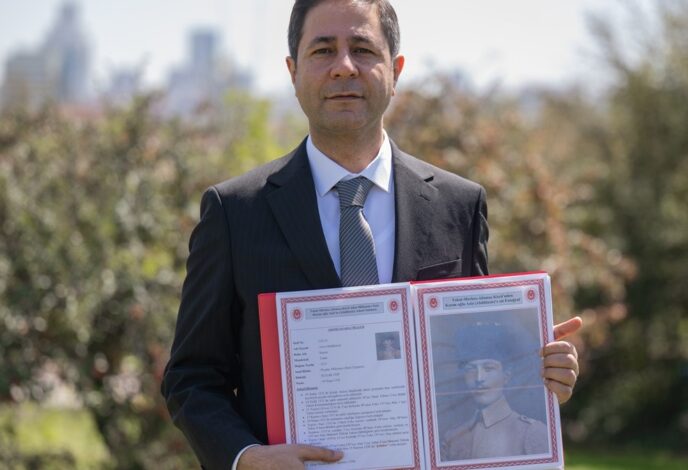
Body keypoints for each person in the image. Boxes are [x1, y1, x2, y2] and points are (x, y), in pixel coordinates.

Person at [161, 1, 582, 469]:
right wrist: (245, 458)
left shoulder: (458, 206)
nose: (344, 66)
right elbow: (192, 376)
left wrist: (538, 372)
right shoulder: (235, 213)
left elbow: (471, 352)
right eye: (323, 50)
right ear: (293, 72)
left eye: (362, 49)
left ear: (395, 71)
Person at [441, 323, 548, 461]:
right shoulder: (452, 439)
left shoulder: (532, 432)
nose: (479, 378)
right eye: (471, 369)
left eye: (489, 368)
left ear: (506, 375)